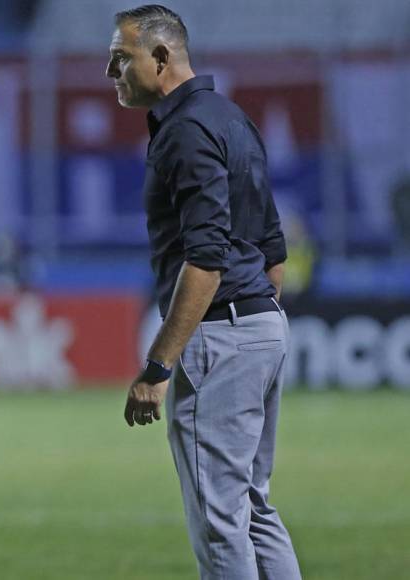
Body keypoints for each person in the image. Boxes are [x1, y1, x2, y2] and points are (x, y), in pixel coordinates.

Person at [106, 6, 301, 579]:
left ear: (161, 57)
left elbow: (206, 258)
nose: (110, 72)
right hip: (262, 322)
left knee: (219, 520)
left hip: (221, 333)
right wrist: (259, 327)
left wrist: (158, 366)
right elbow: (274, 249)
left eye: (120, 58)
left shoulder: (185, 131)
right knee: (253, 508)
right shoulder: (230, 118)